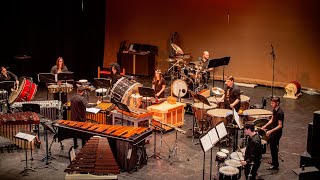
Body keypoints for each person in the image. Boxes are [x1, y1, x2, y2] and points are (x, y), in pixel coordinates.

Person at [261, 97, 284, 170]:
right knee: (271, 148)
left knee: (274, 149)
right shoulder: (274, 109)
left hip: (277, 133)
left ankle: (275, 165)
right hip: (273, 130)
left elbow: (280, 125)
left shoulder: (280, 112)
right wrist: (265, 125)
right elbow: (272, 119)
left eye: (273, 103)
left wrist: (270, 131)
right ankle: (274, 162)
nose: (271, 104)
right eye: (271, 103)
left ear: (277, 103)